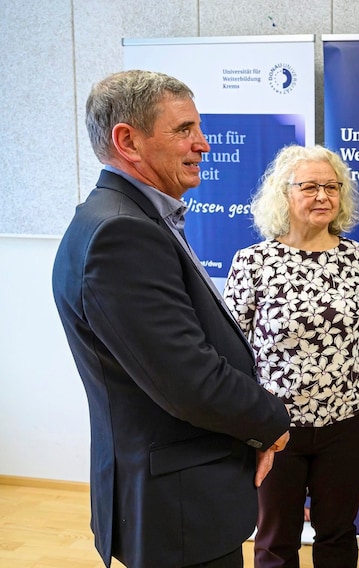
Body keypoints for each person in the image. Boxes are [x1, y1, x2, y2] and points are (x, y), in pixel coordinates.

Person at [51, 70, 291, 568]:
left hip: (174, 497)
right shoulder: (123, 234)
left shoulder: (122, 217)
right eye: (184, 130)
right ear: (127, 141)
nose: (203, 144)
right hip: (179, 507)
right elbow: (189, 380)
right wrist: (271, 422)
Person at [223, 144, 359, 568]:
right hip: (277, 428)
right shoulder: (254, 262)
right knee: (277, 540)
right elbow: (231, 348)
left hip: (347, 421)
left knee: (338, 532)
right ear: (284, 194)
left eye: (331, 187)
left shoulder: (356, 258)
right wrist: (245, 420)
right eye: (310, 187)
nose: (322, 197)